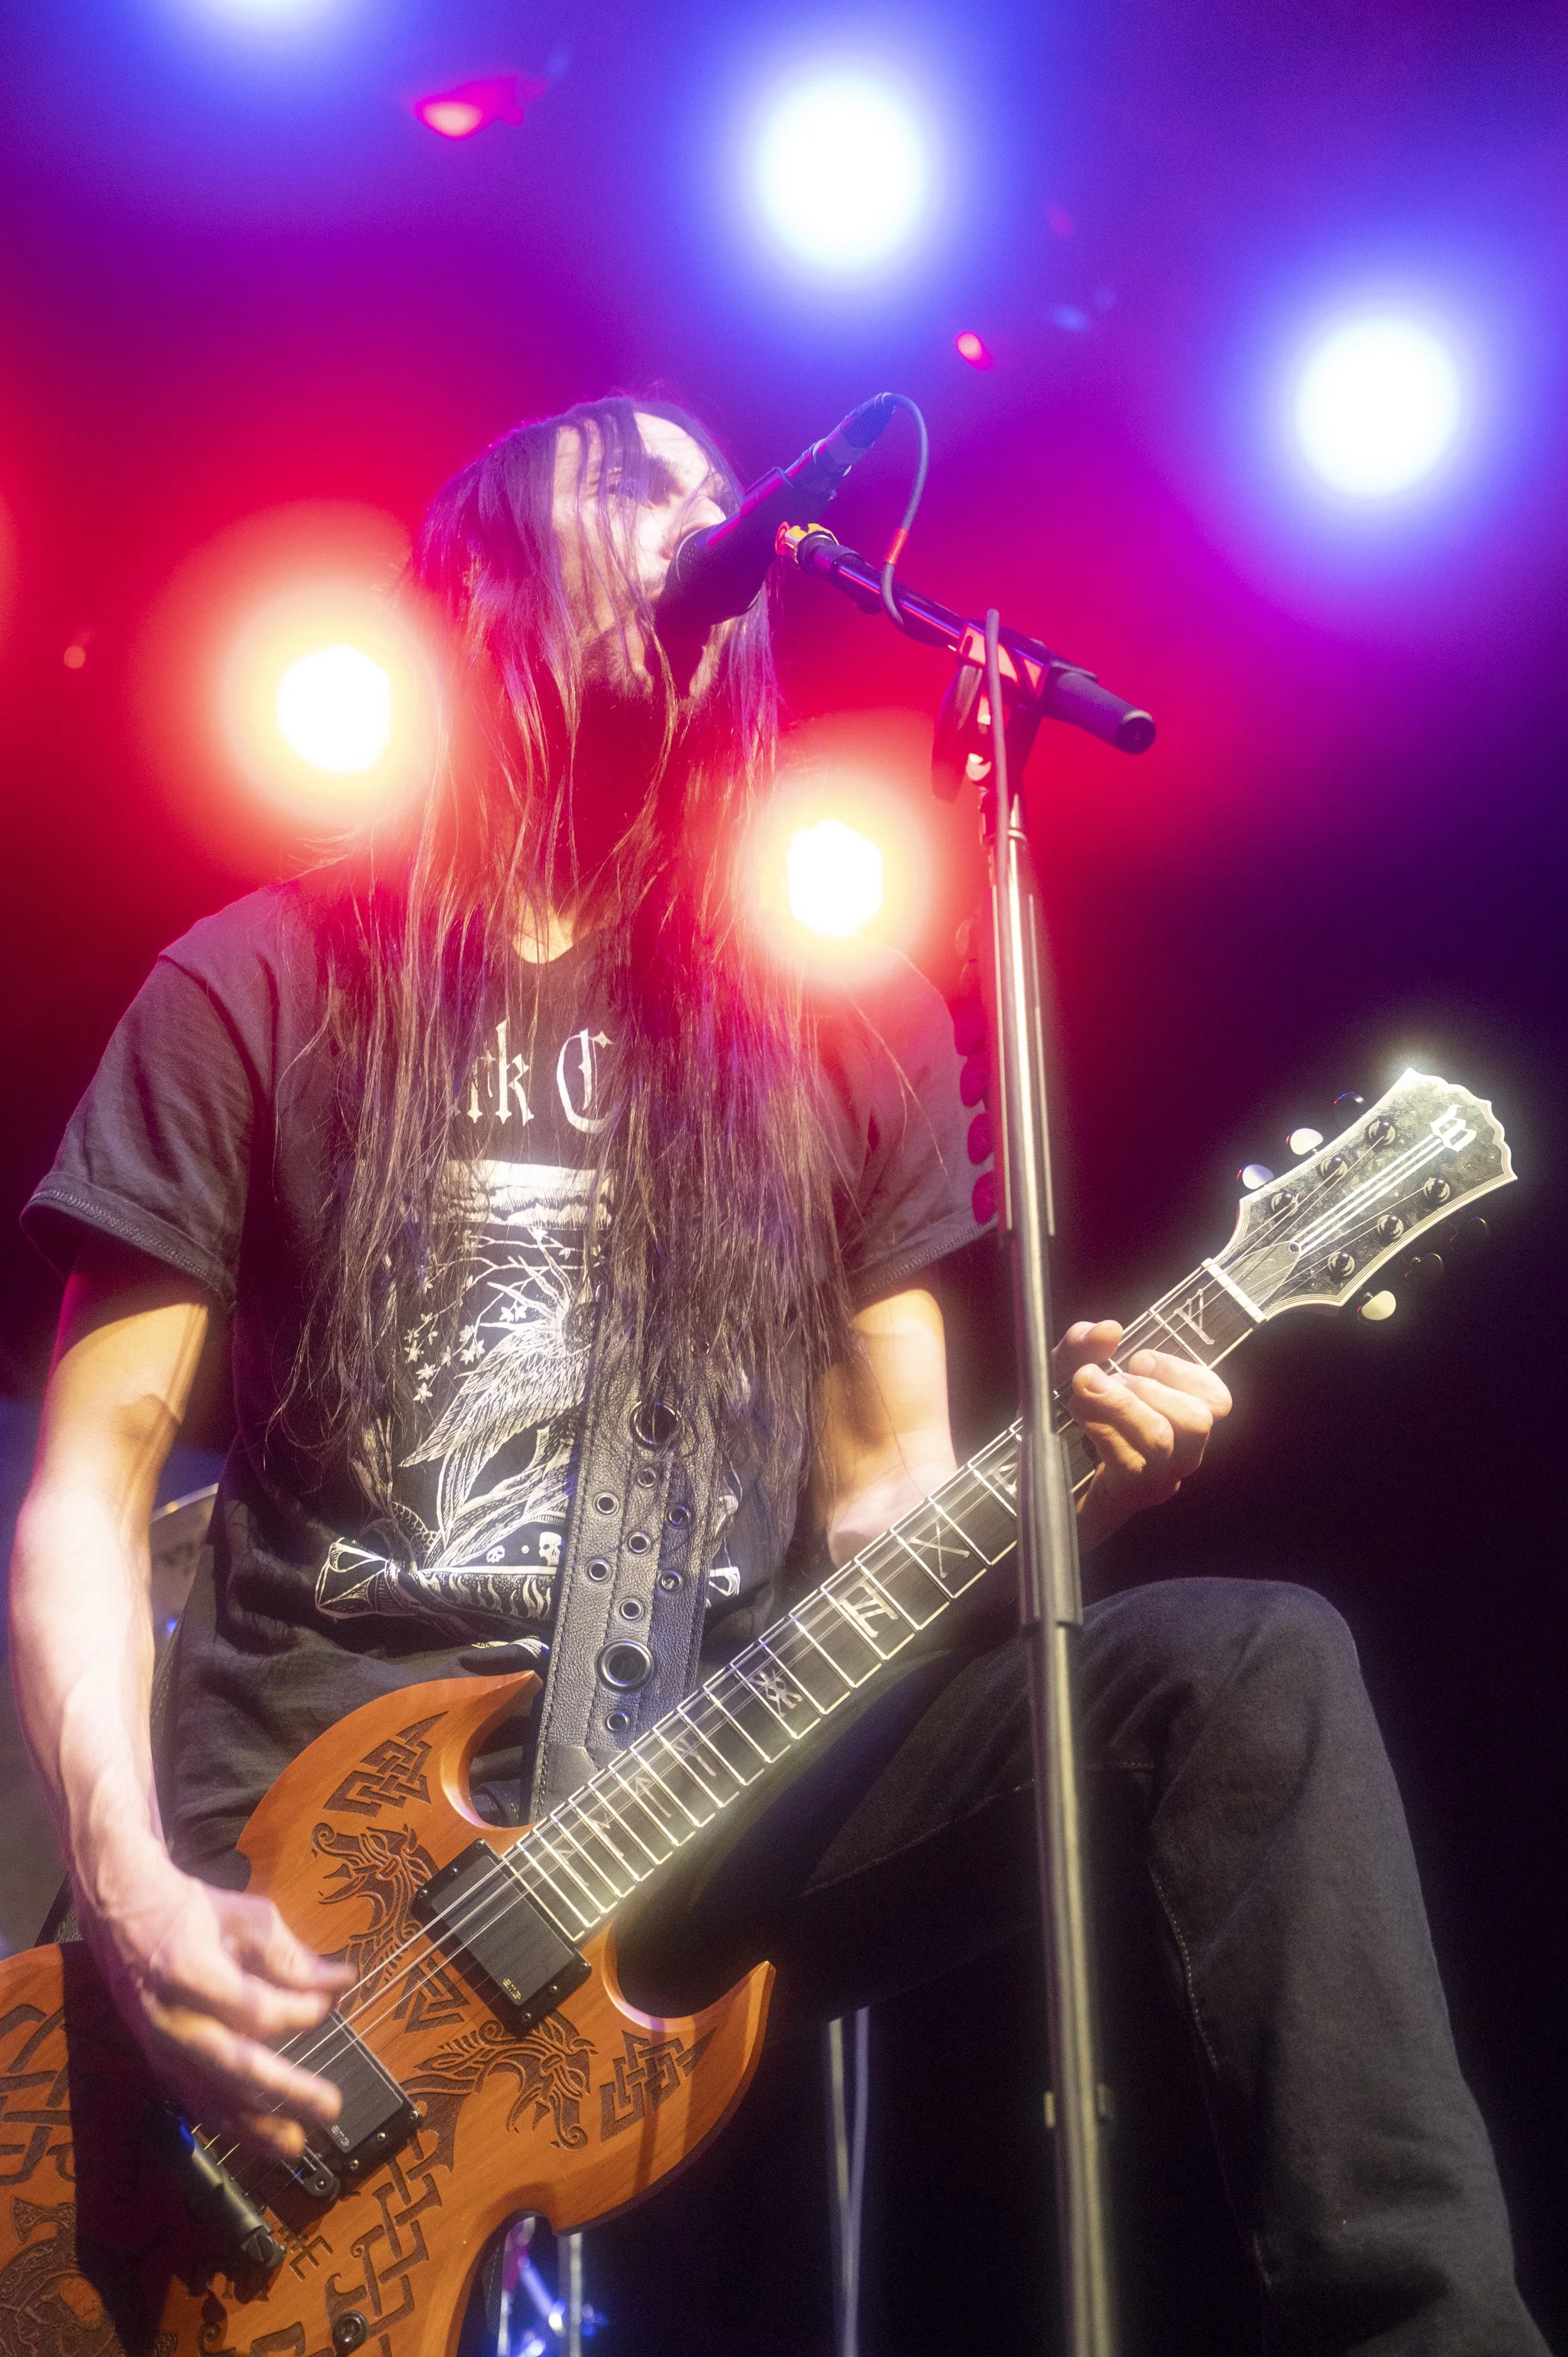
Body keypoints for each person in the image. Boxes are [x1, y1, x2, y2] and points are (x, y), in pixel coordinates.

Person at [9, 398, 1545, 2354]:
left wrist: (1077, 1483)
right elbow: (89, 1491)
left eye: (710, 489)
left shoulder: (838, 1031)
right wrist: (131, 1887)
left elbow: (890, 1505)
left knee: (1245, 1663)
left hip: (678, 1791)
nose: (700, 516)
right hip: (303, 1848)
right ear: (482, 582)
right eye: (628, 485)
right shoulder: (258, 983)